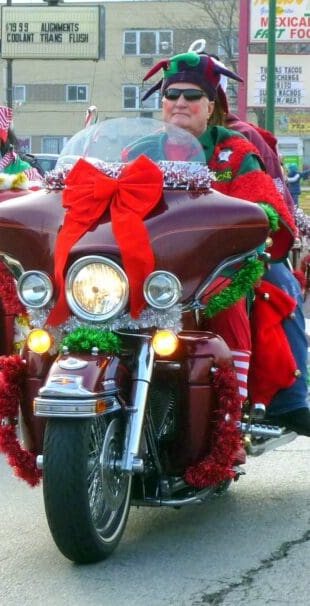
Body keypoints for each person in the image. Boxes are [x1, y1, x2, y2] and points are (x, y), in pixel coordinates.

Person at [141, 51, 310, 436]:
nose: (180, 103)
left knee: (279, 286)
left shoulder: (235, 149)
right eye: (172, 95)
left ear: (210, 106)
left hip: (219, 268)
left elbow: (263, 206)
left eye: (192, 96)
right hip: (151, 268)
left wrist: (260, 228)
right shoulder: (140, 151)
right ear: (162, 103)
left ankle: (261, 411)